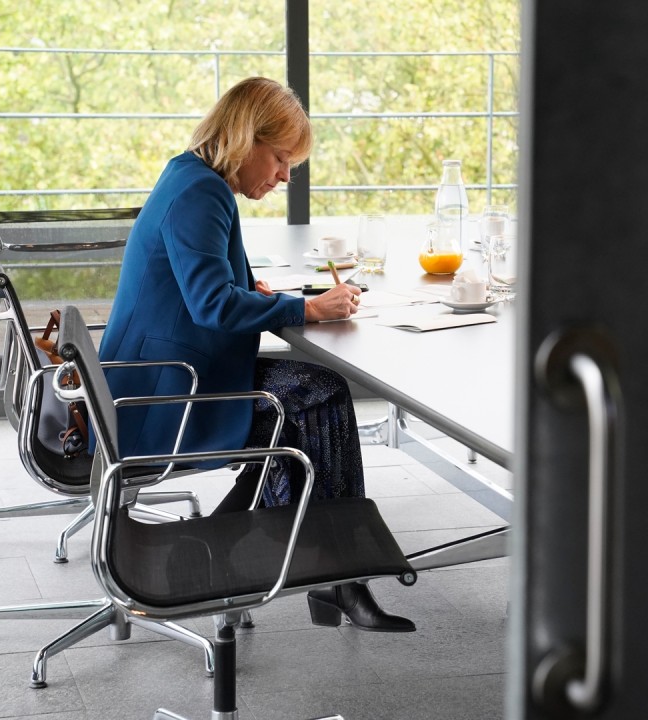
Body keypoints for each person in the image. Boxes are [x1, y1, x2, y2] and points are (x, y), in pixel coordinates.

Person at [98, 76, 414, 632]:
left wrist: (256, 292)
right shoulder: (202, 193)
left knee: (306, 406)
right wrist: (306, 309)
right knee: (317, 399)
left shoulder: (189, 175)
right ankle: (322, 569)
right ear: (245, 138)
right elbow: (212, 305)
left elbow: (201, 284)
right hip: (164, 394)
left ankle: (301, 564)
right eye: (281, 158)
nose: (286, 176)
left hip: (157, 375)